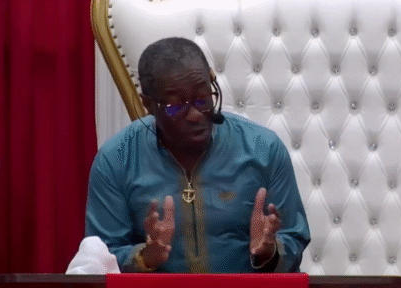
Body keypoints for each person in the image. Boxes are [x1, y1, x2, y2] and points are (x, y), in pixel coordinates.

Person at [84, 37, 309, 273]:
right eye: (174, 106)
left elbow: (294, 237)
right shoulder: (116, 160)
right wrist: (144, 257)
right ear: (148, 104)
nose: (194, 115)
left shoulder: (264, 149)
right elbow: (100, 257)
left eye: (202, 99)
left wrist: (269, 252)